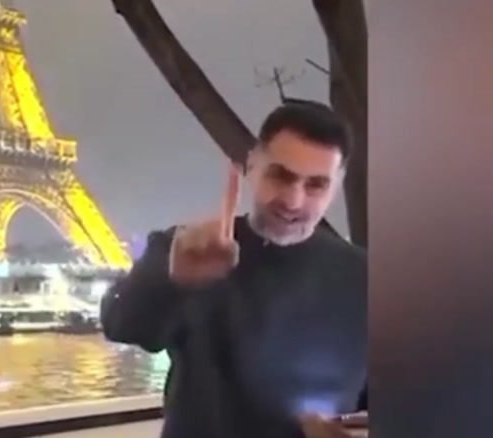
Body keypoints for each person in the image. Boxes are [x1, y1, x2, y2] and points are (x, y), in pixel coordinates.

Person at [101, 102, 367, 438]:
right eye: (281, 176)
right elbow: (121, 325)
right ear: (251, 166)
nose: (294, 201)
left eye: (316, 185)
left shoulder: (365, 276)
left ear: (337, 186)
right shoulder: (189, 248)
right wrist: (175, 283)